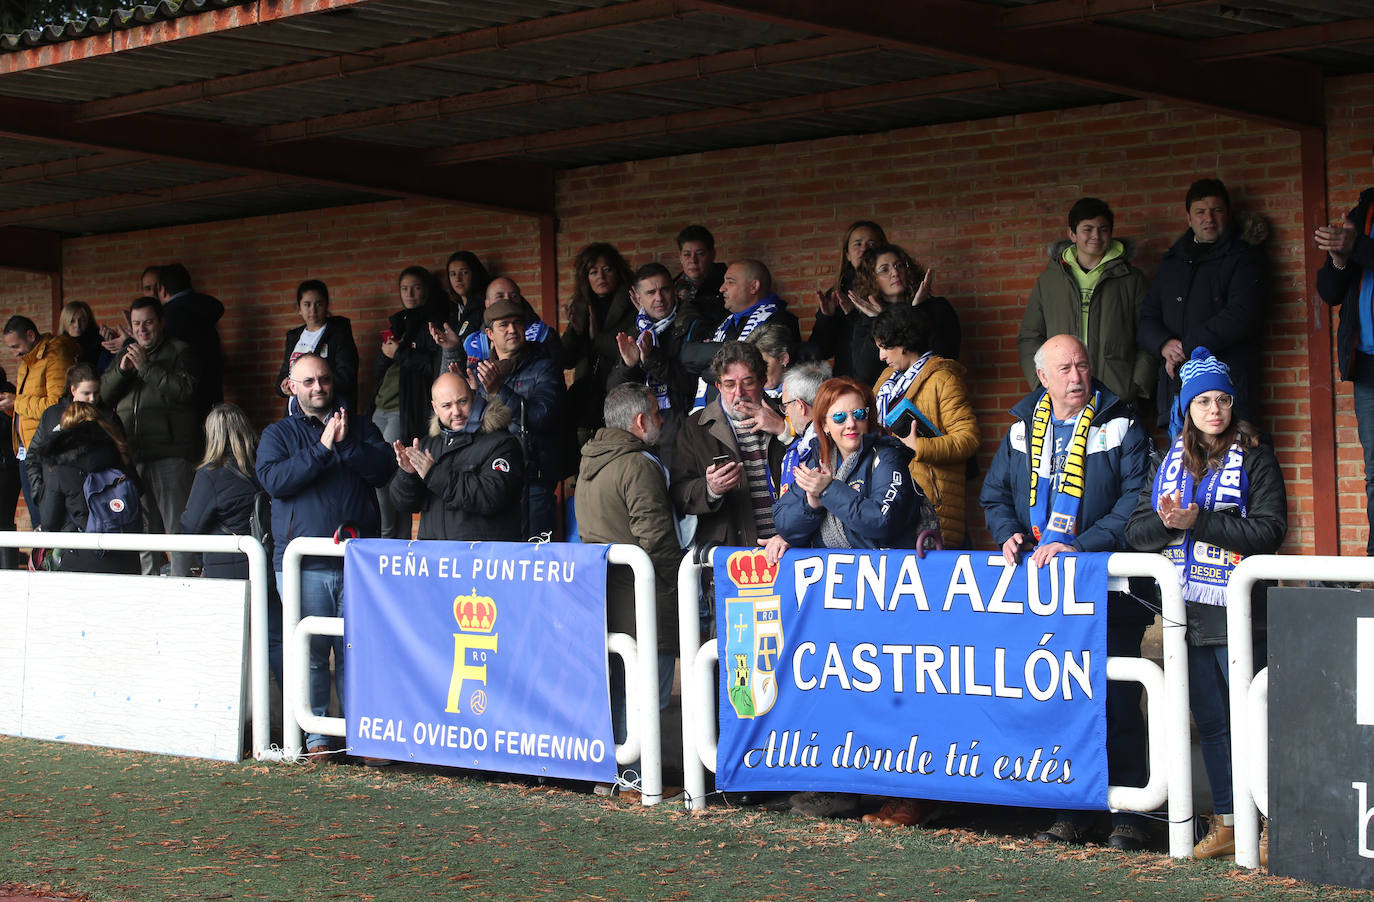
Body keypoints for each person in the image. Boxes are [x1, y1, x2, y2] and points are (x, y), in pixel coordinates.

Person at [979, 334, 1154, 851]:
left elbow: (1135, 503)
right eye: (1065, 368)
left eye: (1082, 365)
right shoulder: (1019, 430)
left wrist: (1081, 546)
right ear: (1043, 378)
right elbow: (994, 497)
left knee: (1117, 697)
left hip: (1106, 590)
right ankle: (1072, 808)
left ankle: (1131, 813)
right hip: (1042, 594)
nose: (1077, 376)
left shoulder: (1121, 422)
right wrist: (1006, 531)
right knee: (1061, 699)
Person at [1125, 348, 1286, 862]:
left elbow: (1269, 530)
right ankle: (1230, 821)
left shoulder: (1256, 455)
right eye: (1203, 401)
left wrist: (1201, 522)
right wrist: (1170, 523)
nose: (1214, 409)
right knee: (1212, 723)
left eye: (1222, 400)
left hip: (1240, 613)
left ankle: (1269, 824)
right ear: (1187, 408)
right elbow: (1136, 532)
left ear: (1232, 404)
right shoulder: (1168, 458)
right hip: (1184, 611)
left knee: (1251, 721)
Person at [773, 376, 924, 825]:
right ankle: (840, 789)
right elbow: (786, 520)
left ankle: (910, 795)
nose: (851, 423)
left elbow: (881, 520)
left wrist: (827, 491)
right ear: (822, 422)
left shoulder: (887, 455)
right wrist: (814, 500)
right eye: (838, 417)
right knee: (839, 697)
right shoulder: (814, 460)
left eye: (859, 413)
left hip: (891, 601)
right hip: (837, 607)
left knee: (897, 699)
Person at [257, 353, 395, 756]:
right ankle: (318, 738)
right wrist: (321, 448)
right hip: (304, 563)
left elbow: (383, 470)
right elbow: (274, 482)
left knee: (358, 649)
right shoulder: (278, 435)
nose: (318, 388)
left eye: (324, 380)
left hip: (358, 562)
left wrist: (346, 443)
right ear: (291, 386)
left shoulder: (361, 425)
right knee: (312, 653)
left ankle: (362, 735)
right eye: (309, 382)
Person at [576, 382, 682, 749]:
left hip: (608, 602)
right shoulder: (637, 464)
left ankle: (619, 781)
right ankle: (635, 783)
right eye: (656, 414)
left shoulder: (591, 459)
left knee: (621, 695)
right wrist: (685, 581)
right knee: (647, 701)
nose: (662, 421)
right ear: (639, 421)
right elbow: (657, 539)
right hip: (645, 604)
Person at [1137, 178, 1268, 428]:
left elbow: (1242, 316)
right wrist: (1164, 345)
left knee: (1229, 462)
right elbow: (1146, 318)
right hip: (1177, 388)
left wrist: (1187, 346)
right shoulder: (1172, 261)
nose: (1209, 218)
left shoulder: (1245, 258)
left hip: (1226, 391)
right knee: (1182, 462)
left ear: (1227, 214)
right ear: (1188, 218)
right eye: (1200, 212)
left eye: (1217, 210)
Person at [1018, 197, 1153, 411]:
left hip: (1117, 393)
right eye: (1087, 229)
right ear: (1072, 234)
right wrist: (1041, 382)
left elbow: (1148, 333)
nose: (1096, 236)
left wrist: (1135, 384)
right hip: (1063, 395)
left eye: (1103, 229)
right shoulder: (1050, 281)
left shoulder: (1131, 279)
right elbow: (1030, 336)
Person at [100, 297, 200, 577]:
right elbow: (104, 395)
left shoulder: (180, 351)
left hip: (170, 455)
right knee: (142, 529)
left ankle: (183, 585)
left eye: (148, 322)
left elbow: (185, 391)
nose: (142, 329)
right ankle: (149, 589)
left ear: (161, 322)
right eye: (136, 324)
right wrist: (121, 371)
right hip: (133, 456)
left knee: (176, 528)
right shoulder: (125, 354)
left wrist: (146, 368)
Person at [872, 304, 979, 549]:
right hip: (888, 493)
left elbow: (969, 438)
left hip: (931, 500)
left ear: (904, 341)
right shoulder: (885, 381)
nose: (881, 356)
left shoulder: (943, 378)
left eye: (885, 347)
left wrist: (920, 445)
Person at [670, 341, 787, 551]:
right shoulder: (695, 427)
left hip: (787, 550)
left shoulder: (786, 418)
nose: (739, 393)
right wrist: (709, 489)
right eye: (730, 384)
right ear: (718, 386)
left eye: (747, 382)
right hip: (732, 552)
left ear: (762, 381)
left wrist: (783, 430)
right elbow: (678, 494)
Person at [471, 294, 567, 539]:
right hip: (490, 482)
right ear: (490, 334)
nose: (512, 330)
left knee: (536, 565)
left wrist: (497, 390)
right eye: (503, 325)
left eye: (517, 323)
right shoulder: (481, 373)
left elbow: (539, 417)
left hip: (531, 482)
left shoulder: (543, 366)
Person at [387, 371, 524, 542]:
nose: (456, 411)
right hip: (435, 558)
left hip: (480, 559)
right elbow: (403, 503)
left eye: (462, 402)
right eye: (447, 406)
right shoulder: (428, 445)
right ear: (435, 408)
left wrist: (433, 475)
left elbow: (491, 496)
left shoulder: (502, 443)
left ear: (474, 397)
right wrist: (409, 475)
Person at [1316, 183, 1374, 556]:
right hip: (1368, 364)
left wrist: (1356, 247)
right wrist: (1339, 256)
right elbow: (1329, 290)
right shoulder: (1363, 212)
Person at [607, 262, 708, 470]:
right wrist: (628, 365)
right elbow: (614, 393)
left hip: (684, 431)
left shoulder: (692, 326)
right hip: (644, 434)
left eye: (664, 290)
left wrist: (653, 358)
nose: (659, 298)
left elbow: (693, 384)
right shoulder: (635, 331)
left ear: (674, 290)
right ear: (637, 297)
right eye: (651, 292)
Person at [372, 265, 445, 538]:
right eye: (404, 288)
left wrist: (401, 351)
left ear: (426, 290)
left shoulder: (432, 322)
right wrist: (386, 354)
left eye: (416, 287)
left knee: (390, 472)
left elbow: (431, 366)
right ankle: (386, 533)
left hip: (404, 410)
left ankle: (392, 536)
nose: (410, 293)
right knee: (376, 470)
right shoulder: (398, 322)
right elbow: (379, 370)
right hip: (380, 405)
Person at [32, 400, 141, 575]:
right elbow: (138, 491)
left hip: (81, 560)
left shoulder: (60, 465)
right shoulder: (120, 452)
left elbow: (49, 520)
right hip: (127, 558)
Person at [683, 259, 800, 411]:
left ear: (754, 286)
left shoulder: (780, 319)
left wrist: (710, 360)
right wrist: (737, 352)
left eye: (730, 282)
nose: (721, 288)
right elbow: (689, 355)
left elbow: (752, 370)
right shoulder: (726, 321)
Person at [2, 314, 79, 527]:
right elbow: (28, 409)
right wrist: (12, 408)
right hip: (27, 451)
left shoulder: (55, 356)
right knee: (38, 518)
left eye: (16, 346)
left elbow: (55, 405)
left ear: (30, 334)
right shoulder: (26, 363)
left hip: (47, 451)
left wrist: (16, 403)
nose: (14, 352)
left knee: (50, 518)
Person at [180, 403, 269, 582]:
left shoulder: (210, 474)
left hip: (225, 564)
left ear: (212, 435)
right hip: (266, 558)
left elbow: (191, 526)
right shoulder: (265, 464)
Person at [27, 362, 123, 519]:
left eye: (96, 393)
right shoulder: (51, 415)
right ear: (73, 390)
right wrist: (39, 492)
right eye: (86, 393)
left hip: (99, 505)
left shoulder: (108, 417)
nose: (92, 399)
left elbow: (122, 461)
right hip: (56, 507)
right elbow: (32, 457)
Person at [848, 243, 959, 375]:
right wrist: (878, 321)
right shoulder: (867, 320)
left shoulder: (937, 307)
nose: (895, 273)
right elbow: (865, 373)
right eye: (884, 270)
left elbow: (944, 355)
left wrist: (916, 311)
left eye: (899, 266)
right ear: (872, 279)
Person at [563, 242, 637, 437]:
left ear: (618, 272)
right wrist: (576, 333)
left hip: (620, 392)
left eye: (607, 270)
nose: (601, 277)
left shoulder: (632, 304)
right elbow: (566, 360)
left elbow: (628, 351)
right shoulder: (582, 306)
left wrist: (596, 339)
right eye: (593, 272)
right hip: (586, 398)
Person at [811, 220, 886, 380]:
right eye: (857, 244)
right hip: (848, 384)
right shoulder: (837, 293)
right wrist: (826, 318)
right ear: (847, 255)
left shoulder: (891, 289)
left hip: (886, 381)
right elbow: (822, 351)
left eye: (871, 244)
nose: (864, 249)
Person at [275, 279, 359, 413]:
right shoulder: (294, 337)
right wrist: (284, 387)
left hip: (328, 413)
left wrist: (311, 386)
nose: (312, 310)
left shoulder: (338, 333)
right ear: (299, 308)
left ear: (326, 306)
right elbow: (284, 375)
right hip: (294, 415)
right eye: (307, 304)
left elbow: (346, 376)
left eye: (318, 304)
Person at [156, 263, 224, 418]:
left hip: (182, 388)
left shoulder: (167, 317)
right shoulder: (206, 306)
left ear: (162, 289)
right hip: (212, 382)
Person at [674, 224, 728, 330]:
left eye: (700, 254)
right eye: (687, 255)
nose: (693, 261)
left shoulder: (727, 285)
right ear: (680, 256)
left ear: (712, 254)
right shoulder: (671, 288)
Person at [440, 250, 492, 346]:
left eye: (464, 272)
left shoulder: (486, 306)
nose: (458, 279)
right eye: (453, 274)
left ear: (475, 273)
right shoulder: (453, 310)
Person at [0, 365, 17, 569]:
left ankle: (7, 572)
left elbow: (7, 429)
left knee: (3, 522)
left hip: (5, 468)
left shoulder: (6, 394)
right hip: (7, 466)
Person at [59, 301, 103, 369]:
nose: (77, 325)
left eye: (82, 320)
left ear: (88, 321)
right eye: (72, 321)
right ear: (65, 323)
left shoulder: (99, 342)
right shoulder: (59, 346)